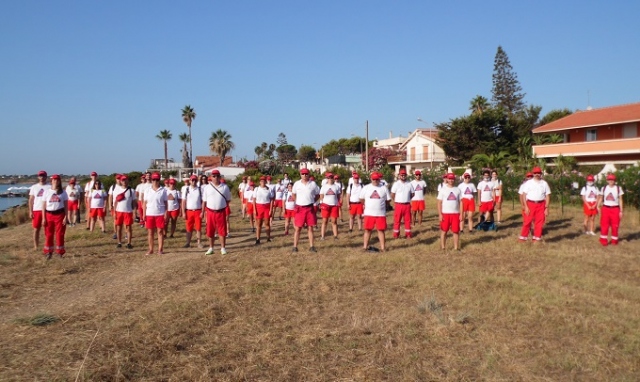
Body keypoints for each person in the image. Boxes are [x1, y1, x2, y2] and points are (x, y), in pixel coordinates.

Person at [518, 167, 551, 243]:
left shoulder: (544, 183)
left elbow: (547, 195)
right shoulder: (528, 183)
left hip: (541, 204)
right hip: (530, 204)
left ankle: (536, 238)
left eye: (538, 173)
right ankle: (523, 238)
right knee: (527, 221)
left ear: (541, 174)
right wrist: (525, 206)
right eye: (535, 173)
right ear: (533, 174)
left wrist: (546, 207)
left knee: (539, 222)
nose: (537, 174)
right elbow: (524, 194)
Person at [360, 171, 391, 252]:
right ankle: (365, 247)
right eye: (373, 179)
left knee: (381, 230)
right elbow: (361, 199)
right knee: (367, 230)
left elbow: (388, 200)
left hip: (380, 214)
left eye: (377, 179)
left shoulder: (384, 188)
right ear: (371, 179)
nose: (375, 181)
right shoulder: (366, 187)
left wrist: (381, 205)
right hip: (369, 213)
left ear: (379, 179)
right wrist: (367, 205)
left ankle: (383, 248)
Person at [202, 170, 231, 255]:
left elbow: (228, 200)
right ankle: (211, 248)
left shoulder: (225, 187)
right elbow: (204, 201)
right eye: (214, 176)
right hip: (210, 211)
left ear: (220, 177)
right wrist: (203, 212)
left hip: (221, 211)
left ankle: (223, 248)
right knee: (210, 230)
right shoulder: (207, 187)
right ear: (210, 177)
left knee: (222, 230)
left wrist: (223, 207)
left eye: (217, 176)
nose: (216, 178)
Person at [292, 168, 320, 252]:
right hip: (300, 208)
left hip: (309, 208)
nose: (304, 175)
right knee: (298, 228)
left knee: (310, 228)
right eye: (303, 174)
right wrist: (298, 202)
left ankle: (312, 246)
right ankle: (295, 247)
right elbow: (293, 194)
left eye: (306, 174)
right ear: (300, 174)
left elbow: (318, 194)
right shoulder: (297, 184)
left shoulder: (313, 184)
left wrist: (312, 201)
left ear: (309, 174)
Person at [41, 174, 68, 259]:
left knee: (60, 234)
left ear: (59, 181)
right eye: (54, 180)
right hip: (49, 215)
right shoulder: (47, 192)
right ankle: (48, 252)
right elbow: (43, 206)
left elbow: (66, 206)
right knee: (49, 234)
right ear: (51, 181)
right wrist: (43, 218)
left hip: (60, 215)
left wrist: (66, 217)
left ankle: (60, 252)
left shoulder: (63, 192)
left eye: (57, 180)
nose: (55, 181)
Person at [142, 172, 168, 255]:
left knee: (160, 231)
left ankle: (160, 249)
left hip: (160, 213)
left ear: (159, 180)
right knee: (150, 232)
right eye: (153, 179)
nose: (155, 181)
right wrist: (143, 214)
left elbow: (166, 203)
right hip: (149, 213)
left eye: (157, 180)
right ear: (151, 180)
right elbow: (144, 203)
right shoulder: (147, 190)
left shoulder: (163, 190)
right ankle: (151, 249)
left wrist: (166, 213)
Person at [437, 173, 464, 250]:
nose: (451, 180)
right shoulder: (443, 190)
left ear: (454, 180)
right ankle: (443, 247)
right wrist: (440, 214)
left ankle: (456, 247)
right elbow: (439, 202)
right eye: (449, 179)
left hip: (455, 214)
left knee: (456, 231)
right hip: (445, 214)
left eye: (452, 179)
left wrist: (461, 214)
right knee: (444, 231)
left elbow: (461, 202)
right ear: (447, 179)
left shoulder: (457, 190)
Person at [597, 174, 624, 246]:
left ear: (615, 181)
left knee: (615, 225)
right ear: (607, 180)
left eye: (612, 180)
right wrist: (598, 206)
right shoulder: (604, 188)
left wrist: (621, 211)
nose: (611, 181)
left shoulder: (618, 188)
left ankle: (614, 240)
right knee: (604, 225)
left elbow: (620, 199)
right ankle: (603, 240)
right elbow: (601, 197)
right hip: (605, 208)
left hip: (615, 208)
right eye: (609, 180)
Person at [29, 170, 51, 250]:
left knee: (47, 229)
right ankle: (36, 246)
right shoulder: (34, 187)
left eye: (43, 176)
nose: (42, 177)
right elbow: (31, 199)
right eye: (40, 176)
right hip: (37, 210)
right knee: (36, 229)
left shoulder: (49, 187)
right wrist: (30, 211)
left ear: (46, 177)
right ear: (38, 177)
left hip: (47, 210)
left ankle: (47, 245)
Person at [390, 169, 414, 239]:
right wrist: (396, 200)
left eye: (404, 175)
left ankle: (408, 234)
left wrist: (407, 199)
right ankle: (396, 234)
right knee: (397, 220)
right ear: (399, 176)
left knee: (408, 220)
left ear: (406, 175)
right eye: (402, 175)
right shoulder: (396, 184)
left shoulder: (409, 184)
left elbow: (412, 193)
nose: (403, 176)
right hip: (398, 205)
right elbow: (392, 194)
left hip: (407, 205)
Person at [113, 175, 136, 249]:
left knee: (128, 228)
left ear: (128, 181)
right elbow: (115, 202)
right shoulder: (117, 190)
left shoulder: (131, 191)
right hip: (119, 211)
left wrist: (134, 211)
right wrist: (114, 212)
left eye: (126, 180)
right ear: (121, 181)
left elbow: (134, 202)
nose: (124, 182)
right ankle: (119, 242)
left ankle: (129, 243)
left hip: (128, 211)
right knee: (119, 228)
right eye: (123, 180)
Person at [182, 175, 204, 248]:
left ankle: (199, 243)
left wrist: (202, 212)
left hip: (198, 211)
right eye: (192, 180)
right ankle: (188, 243)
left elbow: (203, 201)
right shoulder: (186, 189)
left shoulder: (200, 190)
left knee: (198, 228)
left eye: (195, 180)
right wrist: (183, 212)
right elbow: (183, 202)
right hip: (189, 211)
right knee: (188, 228)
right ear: (190, 181)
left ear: (197, 181)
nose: (193, 182)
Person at [252, 175, 275, 244]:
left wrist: (271, 209)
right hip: (259, 206)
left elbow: (271, 200)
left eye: (264, 181)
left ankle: (268, 238)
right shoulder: (256, 189)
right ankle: (258, 238)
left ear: (265, 181)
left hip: (267, 207)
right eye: (261, 181)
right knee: (259, 224)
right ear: (259, 182)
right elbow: (254, 199)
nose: (263, 182)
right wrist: (254, 209)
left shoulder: (269, 189)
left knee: (267, 223)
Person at [319, 172, 341, 240]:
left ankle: (335, 236)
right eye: (329, 177)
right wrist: (321, 203)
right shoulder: (324, 187)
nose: (330, 179)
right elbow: (321, 196)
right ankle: (322, 236)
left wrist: (338, 202)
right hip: (325, 205)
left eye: (331, 177)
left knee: (334, 221)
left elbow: (338, 196)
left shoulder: (336, 186)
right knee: (324, 221)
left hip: (334, 205)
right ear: (327, 178)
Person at [108, 175, 123, 239]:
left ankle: (125, 233)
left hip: (123, 206)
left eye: (120, 179)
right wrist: (109, 205)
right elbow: (110, 196)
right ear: (116, 180)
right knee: (115, 220)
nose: (119, 180)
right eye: (118, 179)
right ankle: (115, 233)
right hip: (115, 207)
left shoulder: (125, 186)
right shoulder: (113, 187)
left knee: (124, 221)